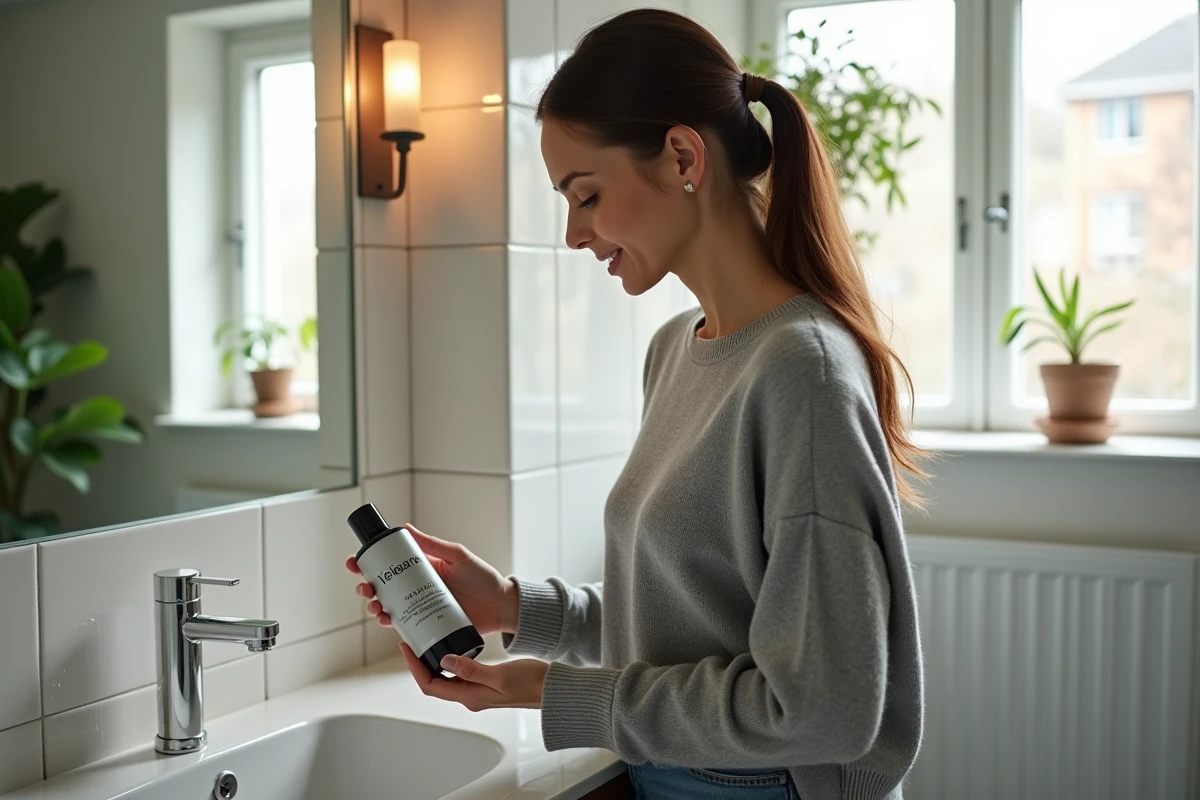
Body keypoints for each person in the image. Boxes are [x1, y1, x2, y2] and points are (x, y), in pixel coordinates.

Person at [347, 8, 927, 799]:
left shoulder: (805, 373)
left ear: (683, 156)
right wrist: (510, 603)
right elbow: (685, 622)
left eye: (585, 195)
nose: (573, 232)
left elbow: (820, 710)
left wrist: (547, 692)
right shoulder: (677, 350)